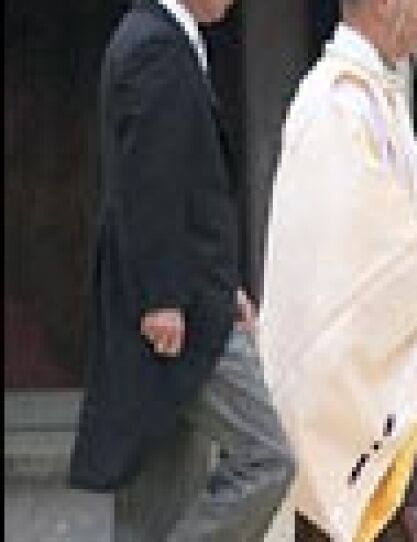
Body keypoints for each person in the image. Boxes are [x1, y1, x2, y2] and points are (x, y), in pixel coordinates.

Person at [258, 0, 417, 540]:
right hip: (364, 374)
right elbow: (361, 239)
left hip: (395, 359)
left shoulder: (365, 94)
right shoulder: (337, 102)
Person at [69, 0, 294, 539]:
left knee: (160, 496)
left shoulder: (159, 35)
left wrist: (225, 286)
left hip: (183, 296)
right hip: (178, 312)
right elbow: (151, 181)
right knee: (267, 458)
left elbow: (181, 185)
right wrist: (163, 297)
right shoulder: (156, 44)